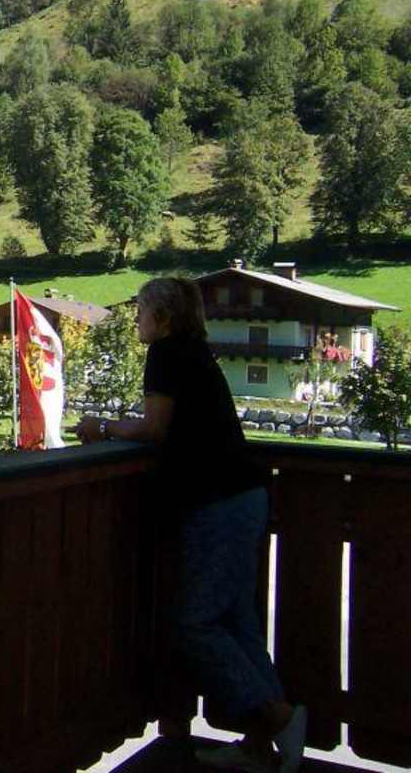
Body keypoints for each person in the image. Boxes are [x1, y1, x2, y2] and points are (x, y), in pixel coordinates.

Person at [74, 277, 306, 773]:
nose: (136, 319)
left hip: (217, 500)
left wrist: (102, 427)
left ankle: (279, 716)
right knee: (237, 622)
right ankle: (259, 747)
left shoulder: (165, 354)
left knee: (196, 623)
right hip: (243, 494)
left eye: (141, 310)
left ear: (162, 317)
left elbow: (155, 428)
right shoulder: (195, 352)